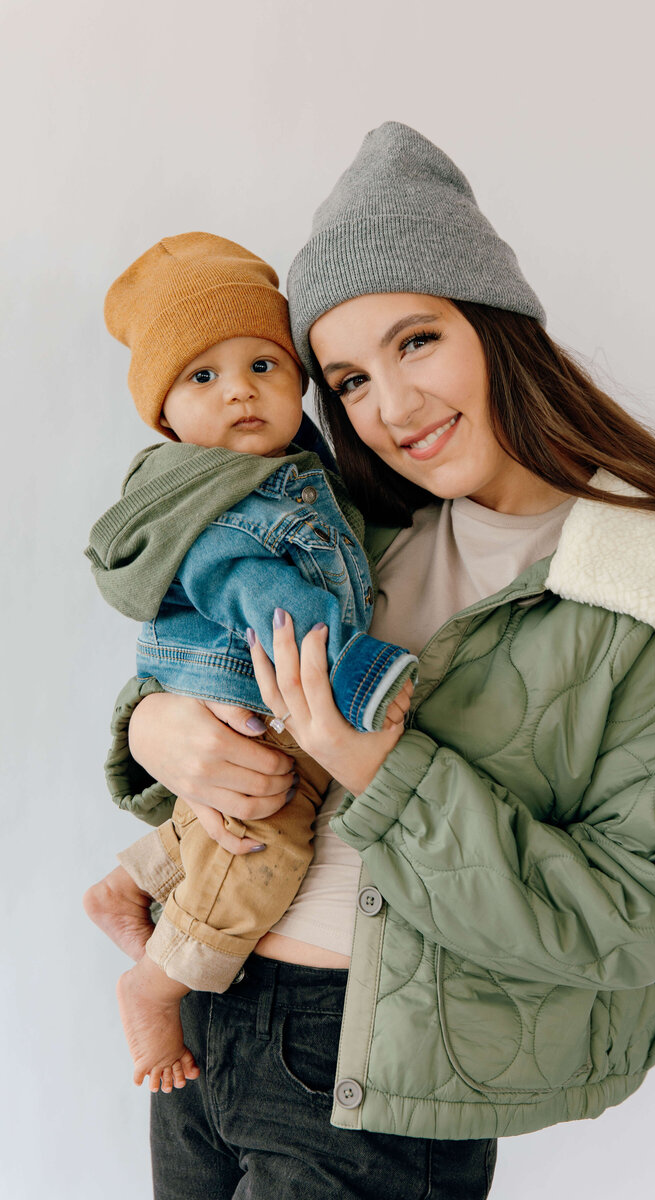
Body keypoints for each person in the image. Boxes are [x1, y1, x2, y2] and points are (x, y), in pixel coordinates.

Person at [101, 124, 655, 1199]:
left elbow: (645, 921)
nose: (392, 406)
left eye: (416, 342)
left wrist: (385, 770)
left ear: (494, 327)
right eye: (349, 377)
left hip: (371, 1073)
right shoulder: (356, 534)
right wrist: (157, 727)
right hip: (208, 1014)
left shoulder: (648, 594)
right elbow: (215, 657)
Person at [82, 231, 416, 1095]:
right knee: (263, 853)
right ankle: (154, 986)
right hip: (268, 701)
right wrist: (365, 678)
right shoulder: (221, 505)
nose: (239, 390)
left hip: (262, 711)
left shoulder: (292, 476)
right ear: (166, 416)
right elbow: (283, 612)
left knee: (244, 815)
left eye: (263, 365)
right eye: (203, 376)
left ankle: (133, 877)